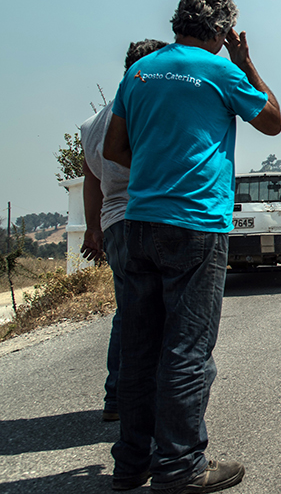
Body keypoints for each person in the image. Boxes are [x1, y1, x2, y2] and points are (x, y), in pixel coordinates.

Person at [103, 0, 281, 494]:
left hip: (138, 223)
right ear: (223, 32)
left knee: (140, 349)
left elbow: (115, 147)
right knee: (187, 349)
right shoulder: (220, 70)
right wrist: (247, 64)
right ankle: (180, 466)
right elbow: (272, 121)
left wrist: (157, 170)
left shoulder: (137, 73)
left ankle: (131, 464)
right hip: (196, 223)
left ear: (178, 20)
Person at [80, 38, 168, 423]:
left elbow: (89, 179)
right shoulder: (140, 107)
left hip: (113, 221)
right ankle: (151, 401)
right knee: (162, 313)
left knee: (128, 311)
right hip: (147, 215)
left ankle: (117, 396)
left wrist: (91, 228)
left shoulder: (91, 124)